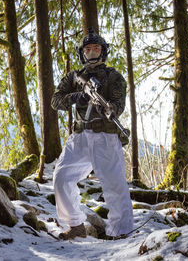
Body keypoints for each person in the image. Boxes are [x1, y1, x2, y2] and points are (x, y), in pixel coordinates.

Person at [51, 28, 133, 240]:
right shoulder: (73, 77)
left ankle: (122, 233)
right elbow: (55, 100)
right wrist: (77, 96)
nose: (92, 52)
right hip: (79, 137)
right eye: (88, 49)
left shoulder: (114, 76)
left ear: (103, 51)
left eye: (96, 48)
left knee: (115, 185)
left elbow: (118, 104)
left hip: (105, 136)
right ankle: (75, 225)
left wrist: (106, 108)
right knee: (61, 177)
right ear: (82, 53)